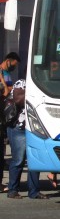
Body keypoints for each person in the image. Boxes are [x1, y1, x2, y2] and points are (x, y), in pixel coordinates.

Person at [6, 79, 48, 199]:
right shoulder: (21, 83)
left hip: (34, 128)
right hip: (18, 128)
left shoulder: (42, 84)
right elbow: (18, 100)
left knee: (35, 161)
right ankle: (12, 190)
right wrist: (33, 93)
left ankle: (34, 192)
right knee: (18, 160)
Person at [0, 52, 19, 193]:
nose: (14, 67)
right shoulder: (1, 72)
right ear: (8, 61)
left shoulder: (6, 74)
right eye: (13, 64)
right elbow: (7, 91)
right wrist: (7, 87)